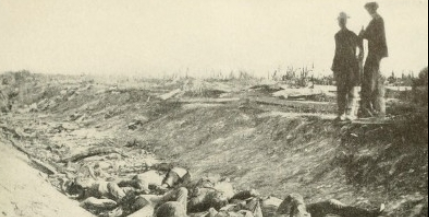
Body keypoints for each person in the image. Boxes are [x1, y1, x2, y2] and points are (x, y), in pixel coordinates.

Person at [332, 12, 364, 122]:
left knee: (351, 90)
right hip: (341, 66)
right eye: (340, 20)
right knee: (341, 91)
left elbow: (360, 46)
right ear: (339, 22)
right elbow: (337, 52)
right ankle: (341, 113)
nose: (341, 22)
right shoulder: (337, 36)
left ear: (346, 21)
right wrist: (334, 68)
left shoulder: (352, 35)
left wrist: (359, 60)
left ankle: (349, 114)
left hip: (350, 66)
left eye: (343, 20)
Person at [359, 2, 389, 117]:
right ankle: (369, 105)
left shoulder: (378, 20)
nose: (368, 12)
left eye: (369, 10)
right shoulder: (374, 21)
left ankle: (369, 105)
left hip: (376, 52)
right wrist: (363, 34)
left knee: (370, 76)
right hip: (373, 52)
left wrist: (363, 34)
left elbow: (375, 36)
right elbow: (367, 34)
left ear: (373, 9)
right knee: (369, 75)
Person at [277, 193, 385, 217]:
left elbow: (293, 195)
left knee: (332, 203)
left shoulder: (282, 209)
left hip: (311, 211)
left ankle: (369, 214)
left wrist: (301, 208)